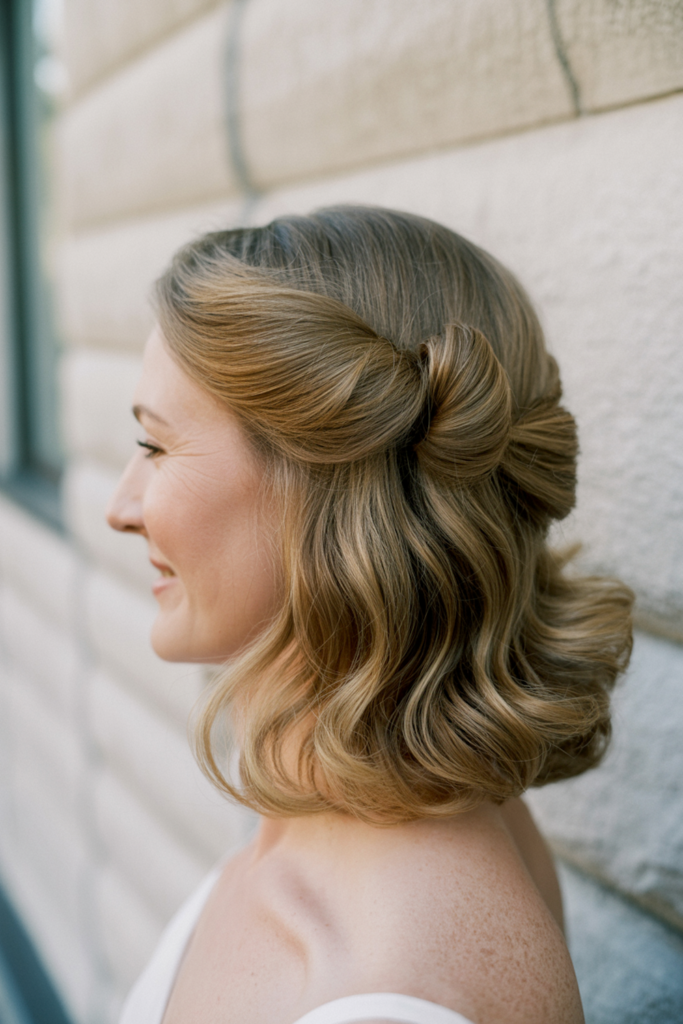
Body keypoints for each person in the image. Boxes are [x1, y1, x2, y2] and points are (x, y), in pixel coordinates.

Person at [107, 206, 633, 1024]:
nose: (121, 506)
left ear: (322, 489)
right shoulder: (345, 823)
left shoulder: (386, 992)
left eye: (156, 447)